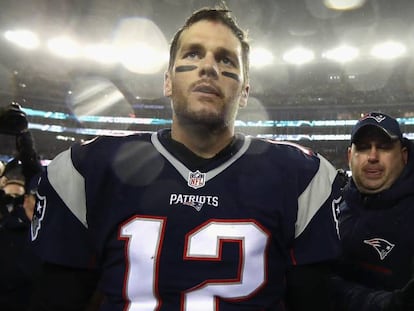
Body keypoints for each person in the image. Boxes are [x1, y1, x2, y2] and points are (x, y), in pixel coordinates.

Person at [29, 5, 345, 311]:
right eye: (193, 54)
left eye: (226, 59)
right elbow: (59, 298)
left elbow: (311, 299)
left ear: (245, 92)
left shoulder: (300, 176)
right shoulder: (91, 168)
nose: (208, 67)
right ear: (168, 81)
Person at [330, 112, 414, 310]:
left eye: (384, 147)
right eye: (364, 147)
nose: (373, 156)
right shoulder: (330, 203)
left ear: (403, 155)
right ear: (350, 156)